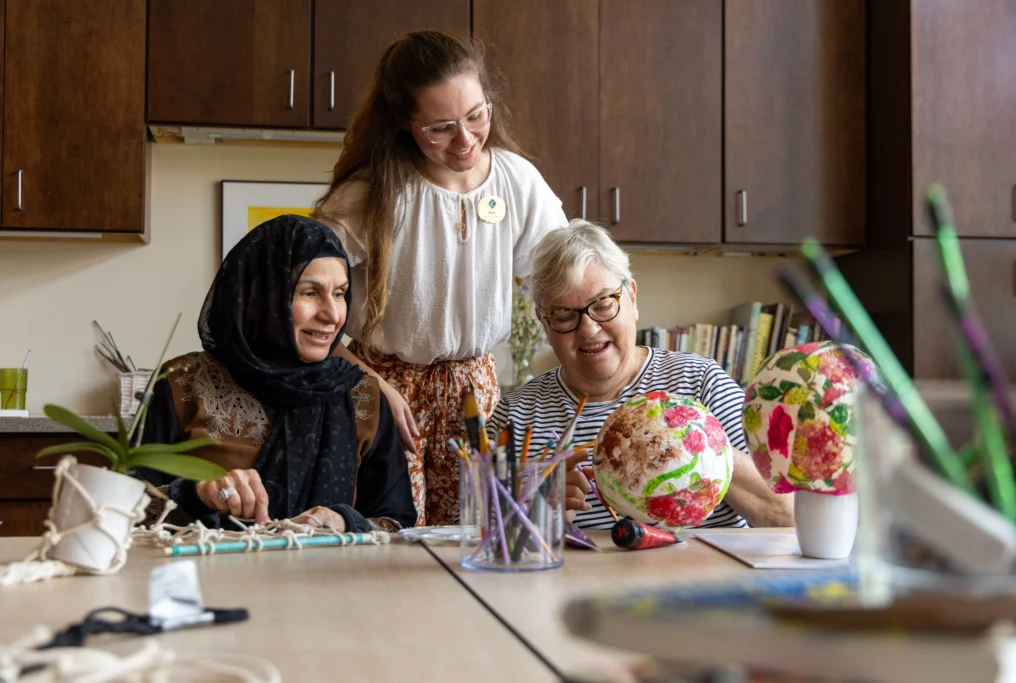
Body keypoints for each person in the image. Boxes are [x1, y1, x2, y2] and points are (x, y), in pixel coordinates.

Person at [314, 30, 567, 526]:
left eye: (477, 115)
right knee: (389, 537)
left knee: (474, 537)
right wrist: (365, 381)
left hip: (475, 390)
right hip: (379, 385)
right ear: (405, 123)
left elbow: (565, 275)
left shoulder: (516, 181)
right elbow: (294, 303)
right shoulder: (371, 194)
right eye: (441, 127)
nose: (467, 139)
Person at [487, 220, 794, 529]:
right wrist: (529, 519)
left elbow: (788, 516)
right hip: (579, 577)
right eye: (564, 315)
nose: (589, 328)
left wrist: (700, 449)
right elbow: (475, 539)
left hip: (704, 577)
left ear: (632, 297)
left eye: (604, 303)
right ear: (543, 322)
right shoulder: (515, 416)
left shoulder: (702, 383)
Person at [139, 215, 417, 533]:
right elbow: (124, 510)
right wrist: (199, 494)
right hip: (210, 579)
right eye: (310, 293)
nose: (332, 314)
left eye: (339, 294)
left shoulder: (362, 396)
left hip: (331, 580)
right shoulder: (183, 383)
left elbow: (397, 523)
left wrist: (343, 520)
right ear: (259, 299)